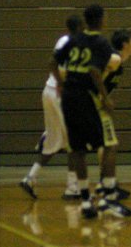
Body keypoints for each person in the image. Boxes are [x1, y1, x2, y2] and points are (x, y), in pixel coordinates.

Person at [50, 4, 116, 219]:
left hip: (69, 96)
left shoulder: (74, 39)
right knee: (107, 144)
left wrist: (61, 83)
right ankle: (106, 196)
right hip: (86, 96)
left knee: (77, 149)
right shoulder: (101, 43)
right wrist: (105, 97)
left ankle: (86, 200)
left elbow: (52, 63)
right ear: (101, 19)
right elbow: (95, 71)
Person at [19, 14, 83, 200]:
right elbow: (54, 63)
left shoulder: (63, 39)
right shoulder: (74, 44)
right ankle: (72, 187)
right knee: (73, 140)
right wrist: (63, 83)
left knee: (54, 139)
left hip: (49, 91)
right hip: (59, 94)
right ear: (80, 27)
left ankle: (30, 178)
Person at [94, 29, 131, 207]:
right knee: (111, 144)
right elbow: (94, 73)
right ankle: (108, 188)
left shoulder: (119, 61)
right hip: (94, 105)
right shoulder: (115, 59)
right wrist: (104, 98)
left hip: (96, 105)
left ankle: (105, 184)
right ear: (125, 44)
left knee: (106, 144)